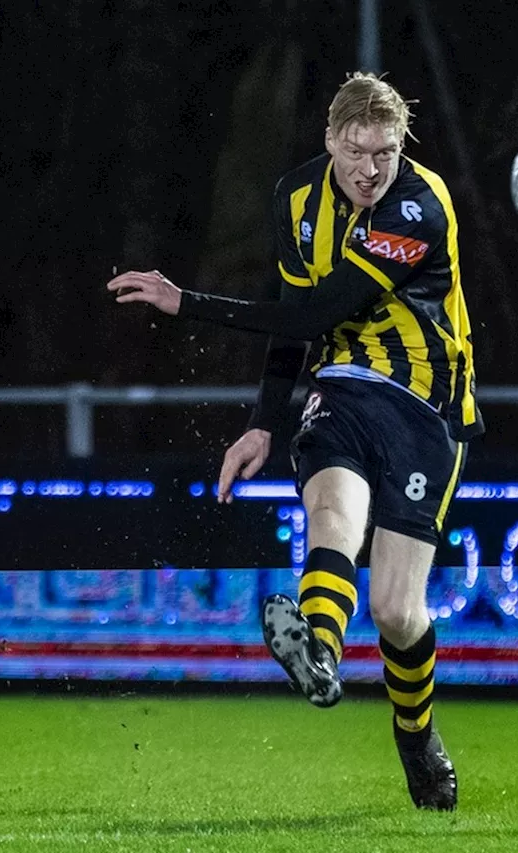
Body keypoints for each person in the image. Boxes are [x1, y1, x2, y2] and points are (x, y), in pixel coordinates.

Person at [106, 71, 482, 812]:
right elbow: (292, 315)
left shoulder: (418, 204)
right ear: (330, 141)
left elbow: (317, 311)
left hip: (423, 406)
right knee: (332, 515)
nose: (371, 168)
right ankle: (320, 650)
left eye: (385, 150)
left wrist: (188, 303)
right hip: (339, 388)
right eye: (356, 151)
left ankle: (416, 738)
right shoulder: (296, 198)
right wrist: (262, 420)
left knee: (401, 611)